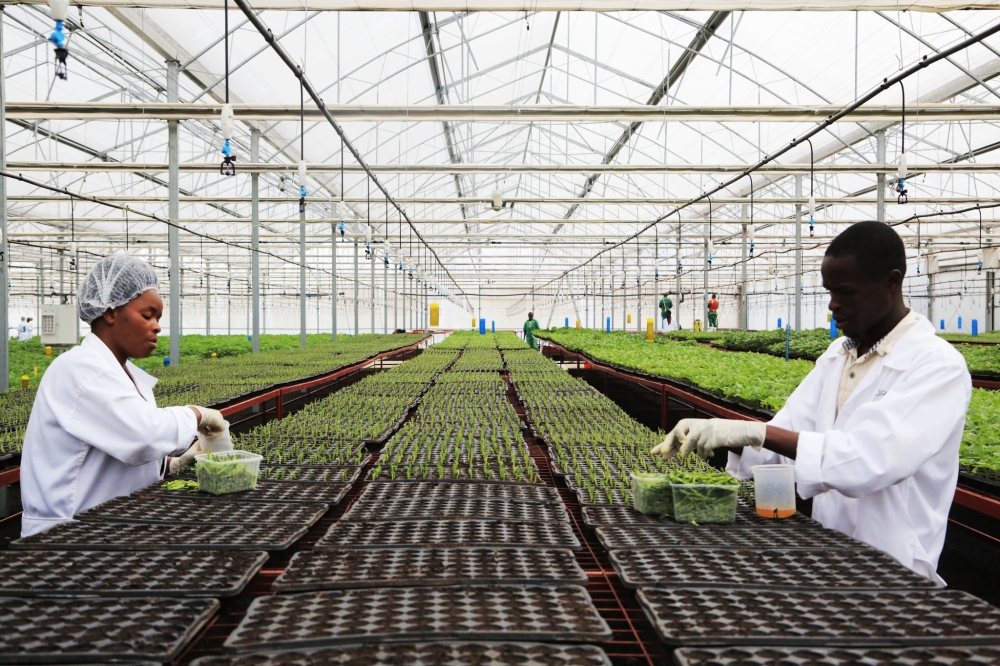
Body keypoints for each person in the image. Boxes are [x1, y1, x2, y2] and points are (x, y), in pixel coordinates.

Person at [651, 222, 971, 583]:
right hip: (828, 552)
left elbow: (868, 460)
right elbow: (784, 438)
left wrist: (754, 432)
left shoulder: (935, 365)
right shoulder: (838, 355)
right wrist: (726, 435)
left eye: (845, 292)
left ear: (891, 282)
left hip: (896, 568)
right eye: (829, 291)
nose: (833, 305)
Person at [19, 254, 227, 538]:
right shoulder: (80, 369)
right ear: (110, 312)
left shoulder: (119, 372)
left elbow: (117, 445)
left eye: (158, 318)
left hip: (109, 528)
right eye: (147, 315)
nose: (157, 326)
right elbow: (144, 436)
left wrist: (171, 464)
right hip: (67, 535)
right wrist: (196, 414)